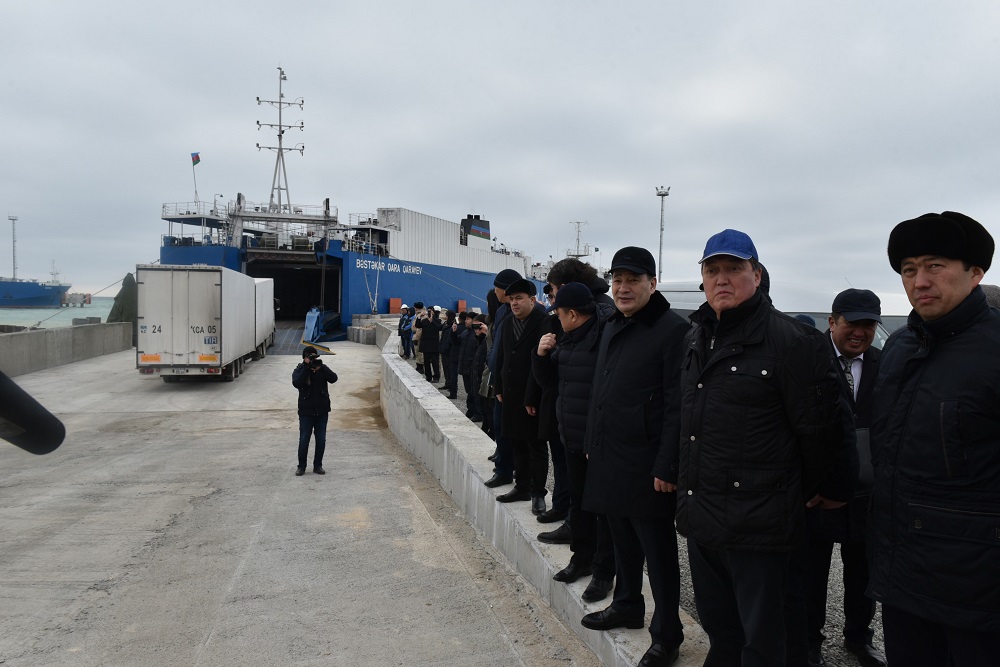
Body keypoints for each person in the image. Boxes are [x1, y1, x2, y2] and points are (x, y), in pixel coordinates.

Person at [676, 229, 851, 666]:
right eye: (712, 270)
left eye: (734, 268)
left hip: (760, 523)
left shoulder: (793, 341)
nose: (722, 279)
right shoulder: (697, 337)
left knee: (765, 637)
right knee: (720, 626)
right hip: (703, 515)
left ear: (756, 274)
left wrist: (797, 490)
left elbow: (823, 432)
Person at [869, 211, 1000, 665]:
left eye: (935, 266)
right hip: (901, 576)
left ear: (975, 272)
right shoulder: (899, 348)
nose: (919, 281)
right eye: (908, 269)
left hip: (977, 592)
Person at [580, 246, 688, 667]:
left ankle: (667, 635)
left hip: (647, 463)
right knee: (621, 541)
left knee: (658, 554)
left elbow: (678, 404)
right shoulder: (613, 324)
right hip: (610, 454)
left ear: (652, 283)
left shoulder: (673, 330)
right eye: (618, 280)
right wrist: (592, 439)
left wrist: (668, 464)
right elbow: (601, 388)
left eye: (633, 280)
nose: (623, 288)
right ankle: (627, 604)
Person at [805, 289, 885, 667]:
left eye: (868, 325)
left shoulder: (885, 364)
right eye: (852, 323)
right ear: (832, 321)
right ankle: (808, 641)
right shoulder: (807, 358)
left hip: (866, 491)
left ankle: (858, 636)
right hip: (817, 490)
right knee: (811, 570)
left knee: (863, 570)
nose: (860, 332)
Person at [532, 281, 618, 604]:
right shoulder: (568, 338)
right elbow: (550, 383)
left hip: (597, 443)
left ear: (571, 314)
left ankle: (604, 572)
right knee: (579, 504)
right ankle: (581, 558)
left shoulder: (605, 337)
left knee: (603, 511)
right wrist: (541, 355)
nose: (556, 318)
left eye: (558, 312)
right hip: (571, 437)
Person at [493, 278, 549, 514]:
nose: (514, 303)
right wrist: (498, 387)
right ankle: (522, 486)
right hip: (510, 394)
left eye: (519, 298)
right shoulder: (507, 323)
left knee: (535, 446)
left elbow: (544, 362)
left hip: (532, 396)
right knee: (516, 441)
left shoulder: (544, 322)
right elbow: (501, 357)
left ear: (532, 300)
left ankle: (538, 493)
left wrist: (532, 397)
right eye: (511, 299)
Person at [484, 268, 522, 489]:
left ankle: (518, 473)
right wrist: (491, 360)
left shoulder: (526, 313)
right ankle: (503, 470)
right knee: (500, 425)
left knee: (516, 431)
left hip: (515, 381)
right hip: (499, 378)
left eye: (497, 287)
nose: (495, 291)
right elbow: (496, 345)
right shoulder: (501, 312)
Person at [291, 346, 338, 476]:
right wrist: (306, 368)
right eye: (310, 357)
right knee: (304, 440)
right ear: (304, 358)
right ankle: (301, 467)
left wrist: (321, 368)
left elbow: (334, 378)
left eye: (314, 357)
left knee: (321, 440)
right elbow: (297, 383)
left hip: (322, 411)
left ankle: (318, 466)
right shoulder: (299, 370)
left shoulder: (321, 368)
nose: (313, 360)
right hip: (306, 413)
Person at [415, 305, 442, 383]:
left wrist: (431, 321)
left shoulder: (438, 321)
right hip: (426, 345)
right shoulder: (424, 321)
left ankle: (436, 377)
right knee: (426, 362)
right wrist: (419, 317)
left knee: (435, 362)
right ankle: (428, 376)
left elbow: (439, 328)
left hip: (434, 345)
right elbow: (418, 325)